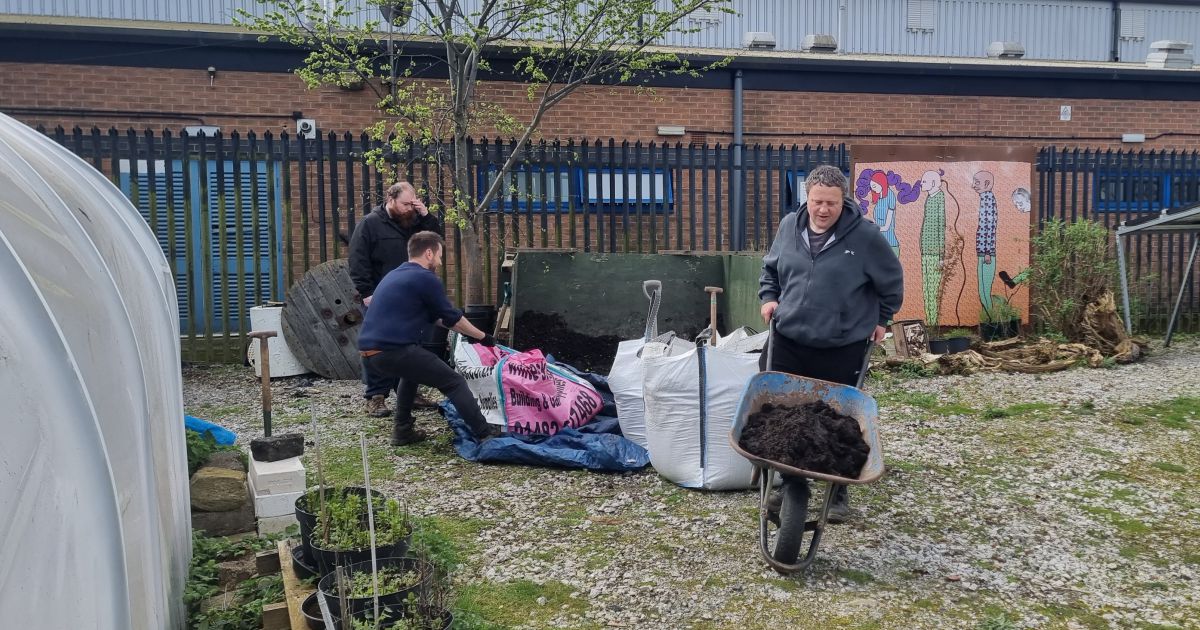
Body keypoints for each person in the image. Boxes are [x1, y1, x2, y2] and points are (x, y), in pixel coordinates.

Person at [759, 164, 904, 523]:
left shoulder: (865, 237)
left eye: (832, 204)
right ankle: (786, 479)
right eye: (817, 201)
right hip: (790, 337)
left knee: (839, 418)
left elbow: (892, 283)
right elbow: (770, 270)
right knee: (781, 409)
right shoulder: (789, 227)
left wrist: (882, 319)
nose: (823, 210)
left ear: (845, 201)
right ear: (806, 198)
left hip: (842, 344)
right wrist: (769, 298)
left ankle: (837, 492)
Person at [358, 231, 502, 446]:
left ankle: (402, 431)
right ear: (428, 253)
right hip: (392, 351)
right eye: (440, 256)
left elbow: (436, 318)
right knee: (454, 382)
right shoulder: (425, 277)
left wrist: (466, 332)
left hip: (370, 354)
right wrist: (484, 337)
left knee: (411, 374)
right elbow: (452, 318)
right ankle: (485, 434)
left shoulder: (395, 275)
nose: (440, 262)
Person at [349, 181, 443, 417]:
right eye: (405, 204)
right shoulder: (370, 224)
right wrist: (367, 293)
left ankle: (408, 393)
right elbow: (357, 261)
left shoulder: (415, 222)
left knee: (413, 346)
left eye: (413, 204)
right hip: (380, 298)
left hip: (412, 298)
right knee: (377, 348)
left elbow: (434, 243)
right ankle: (376, 397)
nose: (409, 209)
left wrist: (427, 216)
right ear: (390, 199)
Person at [973, 171, 998, 315]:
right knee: (982, 290)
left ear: (987, 184)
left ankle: (991, 318)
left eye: (977, 182)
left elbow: (990, 226)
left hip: (987, 254)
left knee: (984, 291)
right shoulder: (985, 198)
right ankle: (990, 317)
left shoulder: (988, 198)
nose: (974, 185)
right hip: (982, 252)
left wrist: (988, 252)